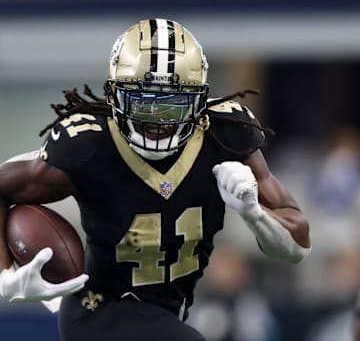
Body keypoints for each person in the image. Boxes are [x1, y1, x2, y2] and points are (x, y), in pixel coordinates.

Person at [0, 18, 311, 341]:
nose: (157, 123)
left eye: (172, 106)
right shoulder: (88, 145)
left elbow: (297, 248)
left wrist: (254, 214)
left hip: (167, 312)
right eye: (142, 104)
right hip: (99, 310)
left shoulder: (225, 136)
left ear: (199, 103)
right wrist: (5, 272)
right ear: (115, 96)